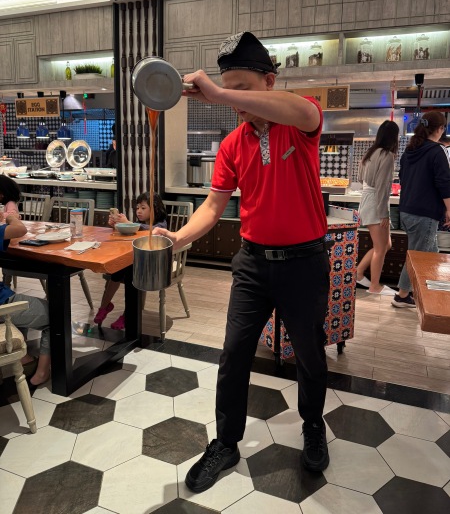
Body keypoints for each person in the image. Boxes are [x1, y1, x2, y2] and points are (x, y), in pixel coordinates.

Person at [154, 31, 331, 493]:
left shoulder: (300, 123)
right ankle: (226, 442)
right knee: (233, 354)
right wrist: (177, 238)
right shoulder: (233, 144)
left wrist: (217, 91)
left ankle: (313, 425)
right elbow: (213, 206)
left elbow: (305, 111)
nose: (233, 101)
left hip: (304, 262)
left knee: (309, 353)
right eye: (227, 89)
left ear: (270, 81)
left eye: (242, 89)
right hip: (252, 264)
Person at [392, 112, 450, 308]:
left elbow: (403, 178)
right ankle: (402, 295)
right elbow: (444, 183)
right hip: (424, 213)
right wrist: (449, 209)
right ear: (440, 129)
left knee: (430, 253)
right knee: (418, 256)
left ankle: (427, 291)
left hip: (407, 210)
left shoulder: (410, 150)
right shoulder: (437, 151)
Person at [94, 192, 167, 330]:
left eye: (143, 208)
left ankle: (128, 314)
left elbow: (155, 230)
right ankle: (104, 306)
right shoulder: (140, 224)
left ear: (155, 209)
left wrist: (129, 223)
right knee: (117, 269)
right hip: (138, 262)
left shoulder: (161, 224)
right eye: (137, 207)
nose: (139, 211)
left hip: (155, 265)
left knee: (130, 272)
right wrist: (116, 225)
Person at [0, 214, 51, 385]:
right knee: (56, 314)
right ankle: (42, 373)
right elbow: (20, 229)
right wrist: (11, 217)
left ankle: (24, 358)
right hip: (2, 306)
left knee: (19, 301)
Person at [356, 121, 399, 295]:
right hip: (376, 202)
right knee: (381, 247)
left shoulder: (370, 152)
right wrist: (384, 214)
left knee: (385, 244)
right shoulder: (387, 155)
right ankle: (374, 286)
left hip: (368, 199)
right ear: (394, 137)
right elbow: (383, 187)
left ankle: (359, 273)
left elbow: (360, 178)